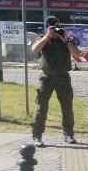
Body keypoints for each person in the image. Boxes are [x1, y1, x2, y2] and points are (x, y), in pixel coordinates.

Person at [30, 16, 83, 147]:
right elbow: (35, 50)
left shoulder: (65, 39)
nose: (54, 29)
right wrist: (48, 36)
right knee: (41, 107)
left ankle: (68, 134)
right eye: (51, 27)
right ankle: (37, 136)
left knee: (67, 107)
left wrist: (65, 40)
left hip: (63, 77)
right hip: (46, 77)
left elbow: (77, 54)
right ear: (47, 27)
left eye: (56, 26)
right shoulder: (43, 38)